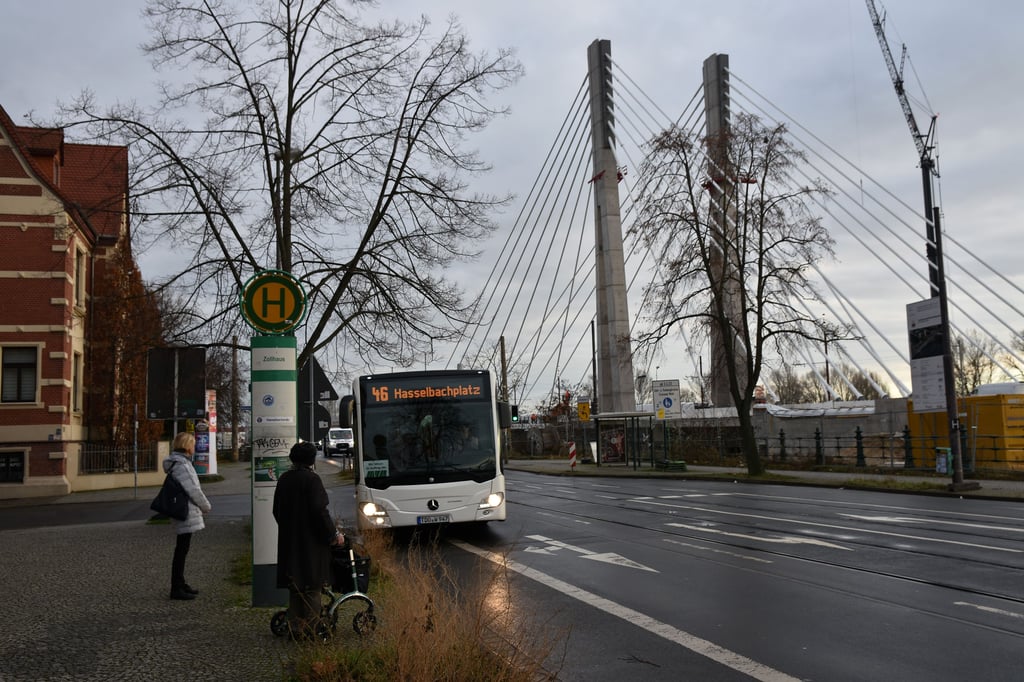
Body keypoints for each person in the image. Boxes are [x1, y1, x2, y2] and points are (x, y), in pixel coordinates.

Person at [273, 441, 343, 639]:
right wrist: (333, 535)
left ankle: (295, 629)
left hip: (289, 541)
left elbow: (276, 510)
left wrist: (289, 528)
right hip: (311, 543)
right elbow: (320, 512)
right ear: (312, 460)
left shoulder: (284, 478)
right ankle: (312, 630)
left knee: (295, 586)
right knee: (312, 587)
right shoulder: (312, 480)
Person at [164, 431, 212, 601]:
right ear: (187, 446)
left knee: (182, 549)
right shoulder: (182, 465)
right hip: (186, 511)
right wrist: (205, 506)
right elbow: (193, 489)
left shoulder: (176, 463)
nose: (194, 447)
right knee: (181, 550)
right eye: (192, 444)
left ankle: (180, 583)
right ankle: (176, 587)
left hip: (182, 510)